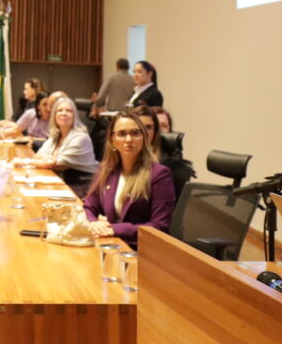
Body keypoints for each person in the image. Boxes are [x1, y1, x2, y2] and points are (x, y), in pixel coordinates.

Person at [82, 108, 176, 246]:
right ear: (112, 140)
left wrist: (115, 229)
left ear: (143, 138)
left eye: (135, 133)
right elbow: (89, 206)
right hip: (111, 243)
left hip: (140, 250)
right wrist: (93, 223)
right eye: (121, 134)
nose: (129, 139)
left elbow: (160, 226)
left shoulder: (159, 175)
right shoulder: (106, 170)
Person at [31, 94, 98, 192]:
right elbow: (38, 157)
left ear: (75, 116)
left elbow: (53, 164)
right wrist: (49, 160)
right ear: (54, 115)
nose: (64, 113)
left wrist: (25, 162)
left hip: (81, 189)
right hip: (62, 185)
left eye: (68, 111)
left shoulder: (80, 138)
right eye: (60, 110)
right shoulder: (55, 137)